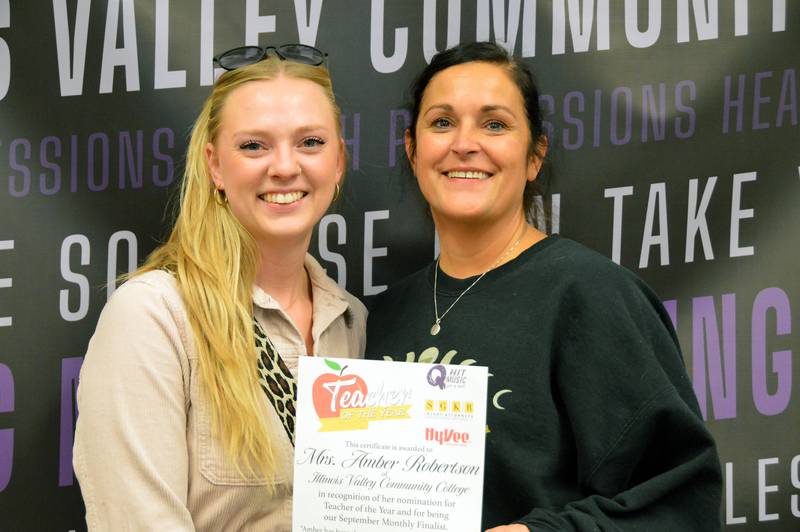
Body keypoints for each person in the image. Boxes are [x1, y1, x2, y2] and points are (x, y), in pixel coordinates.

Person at [366, 41, 722, 531]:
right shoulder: (380, 317)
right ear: (412, 149)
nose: (464, 143)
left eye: (495, 124)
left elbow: (684, 503)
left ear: (535, 155)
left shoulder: (591, 295)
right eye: (442, 122)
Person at [73, 45, 366, 531]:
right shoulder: (154, 317)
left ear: (338, 162)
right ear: (214, 166)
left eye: (310, 142)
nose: (285, 167)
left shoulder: (351, 321)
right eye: (254, 146)